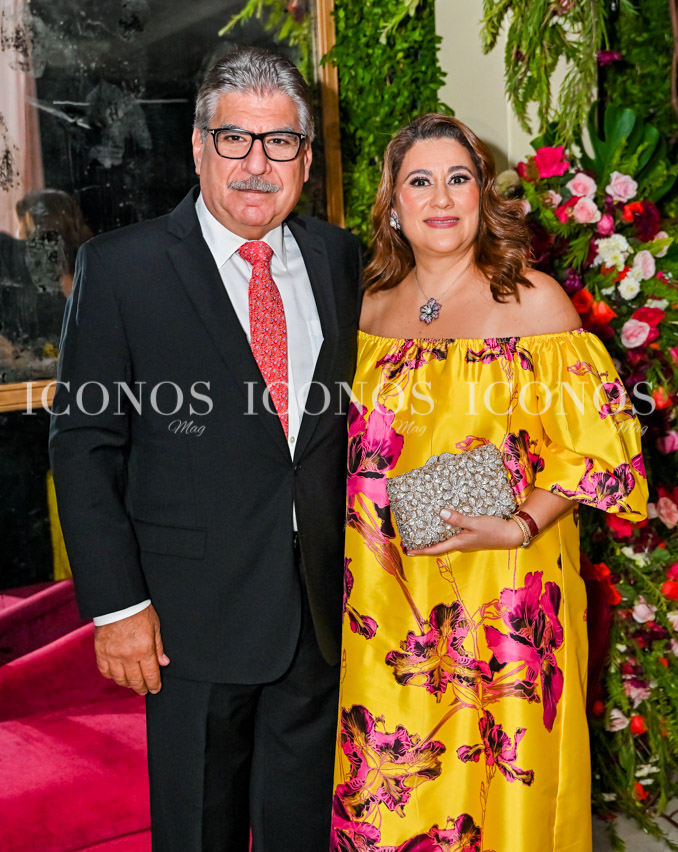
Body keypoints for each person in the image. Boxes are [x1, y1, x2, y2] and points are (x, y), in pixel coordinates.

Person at [49, 47, 361, 852]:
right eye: (234, 139)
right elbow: (84, 446)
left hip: (320, 617)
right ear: (198, 146)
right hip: (187, 622)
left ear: (305, 157)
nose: (257, 164)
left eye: (280, 142)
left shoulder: (339, 259)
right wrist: (119, 609)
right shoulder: (121, 269)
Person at [331, 114, 648, 852]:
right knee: (388, 797)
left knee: (502, 798)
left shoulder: (534, 304)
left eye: (458, 178)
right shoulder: (367, 309)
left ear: (483, 194)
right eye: (420, 181)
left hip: (503, 592)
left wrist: (519, 524)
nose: (440, 198)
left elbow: (600, 449)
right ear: (393, 203)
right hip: (384, 599)